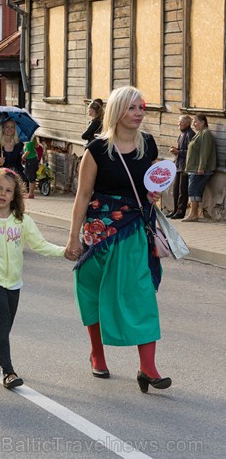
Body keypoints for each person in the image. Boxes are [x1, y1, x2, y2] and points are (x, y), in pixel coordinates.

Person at [65, 86, 171, 393]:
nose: (139, 113)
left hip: (135, 232)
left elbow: (150, 184)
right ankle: (97, 354)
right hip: (98, 236)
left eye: (142, 107)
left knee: (141, 294)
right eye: (132, 107)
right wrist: (73, 238)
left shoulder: (147, 144)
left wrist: (155, 193)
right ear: (118, 111)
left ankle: (148, 368)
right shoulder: (96, 150)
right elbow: (83, 195)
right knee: (94, 294)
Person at [0, 168, 68, 389]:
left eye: (8, 190)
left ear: (15, 196)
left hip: (14, 281)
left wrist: (64, 251)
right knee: (3, 322)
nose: (3, 194)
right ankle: (9, 372)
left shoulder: (22, 221)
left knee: (6, 324)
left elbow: (40, 245)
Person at [182, 114, 217, 222]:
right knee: (194, 190)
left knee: (193, 190)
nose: (193, 124)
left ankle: (193, 214)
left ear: (202, 122)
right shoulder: (200, 133)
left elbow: (204, 151)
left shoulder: (205, 134)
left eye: (195, 121)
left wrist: (201, 167)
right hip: (194, 167)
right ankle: (194, 213)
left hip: (199, 169)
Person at [167, 115, 195, 219]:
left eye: (181, 122)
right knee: (175, 190)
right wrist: (176, 150)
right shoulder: (183, 133)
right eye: (178, 122)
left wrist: (178, 151)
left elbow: (191, 152)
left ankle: (180, 212)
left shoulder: (190, 134)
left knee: (182, 190)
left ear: (187, 124)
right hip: (178, 165)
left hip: (185, 166)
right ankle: (175, 210)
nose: (178, 124)